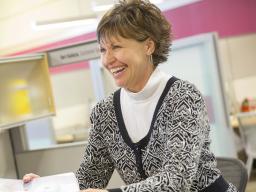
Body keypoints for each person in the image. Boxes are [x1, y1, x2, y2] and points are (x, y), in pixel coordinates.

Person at [23, 0, 239, 192]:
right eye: (102, 50)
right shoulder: (104, 112)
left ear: (148, 45)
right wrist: (48, 187)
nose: (107, 60)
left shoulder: (183, 97)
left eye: (116, 47)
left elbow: (177, 180)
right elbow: (90, 178)